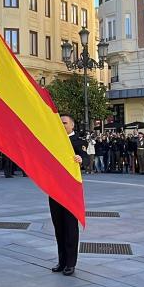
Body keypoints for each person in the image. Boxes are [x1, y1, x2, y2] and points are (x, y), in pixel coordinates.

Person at [49, 114, 86, 276]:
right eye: (60, 123)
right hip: (55, 189)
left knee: (70, 227)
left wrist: (81, 159)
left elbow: (86, 156)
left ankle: (71, 263)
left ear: (72, 125)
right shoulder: (54, 141)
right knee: (59, 227)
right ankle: (62, 261)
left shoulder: (79, 141)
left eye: (64, 123)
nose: (62, 125)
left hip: (70, 191)